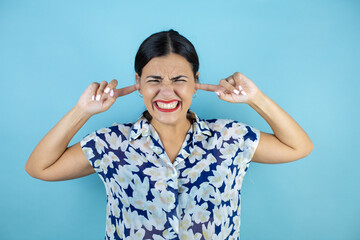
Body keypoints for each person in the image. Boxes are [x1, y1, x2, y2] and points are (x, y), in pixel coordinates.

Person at [25, 29, 313, 240]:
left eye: (179, 80)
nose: (166, 92)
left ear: (196, 82)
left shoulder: (229, 137)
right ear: (138, 83)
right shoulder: (111, 144)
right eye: (154, 80)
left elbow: (298, 147)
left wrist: (256, 98)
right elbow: (39, 167)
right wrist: (83, 110)